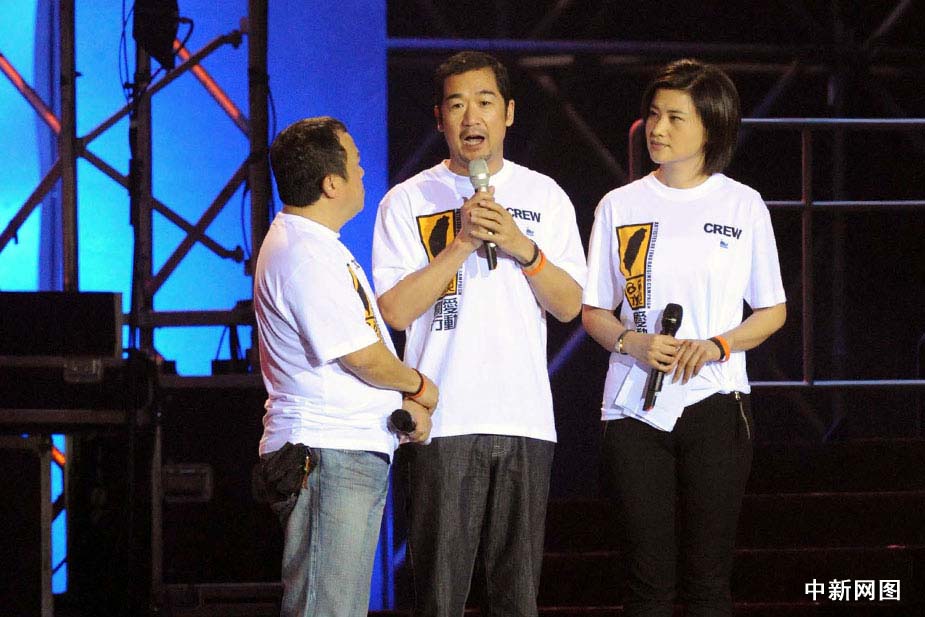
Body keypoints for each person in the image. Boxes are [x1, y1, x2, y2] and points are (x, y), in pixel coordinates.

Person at [372, 51, 587, 616]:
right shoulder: (407, 200)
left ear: (509, 113)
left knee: (516, 600)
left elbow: (570, 305)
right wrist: (462, 243)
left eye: (485, 102)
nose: (472, 117)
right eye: (457, 105)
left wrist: (522, 246)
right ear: (439, 118)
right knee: (439, 598)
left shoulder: (545, 196)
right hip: (442, 423)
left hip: (524, 421)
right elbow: (395, 310)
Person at [582, 58, 787, 616]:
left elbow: (772, 310)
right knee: (646, 583)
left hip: (716, 401)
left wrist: (718, 345)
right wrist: (633, 343)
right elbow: (594, 311)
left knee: (708, 580)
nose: (658, 128)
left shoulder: (742, 204)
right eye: (654, 114)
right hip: (632, 407)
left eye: (675, 117)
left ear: (711, 127)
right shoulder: (619, 205)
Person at [252, 116, 438, 617]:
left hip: (342, 454)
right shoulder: (303, 255)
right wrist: (420, 385)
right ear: (331, 183)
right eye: (355, 163)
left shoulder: (317, 246)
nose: (363, 172)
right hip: (326, 456)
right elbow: (361, 356)